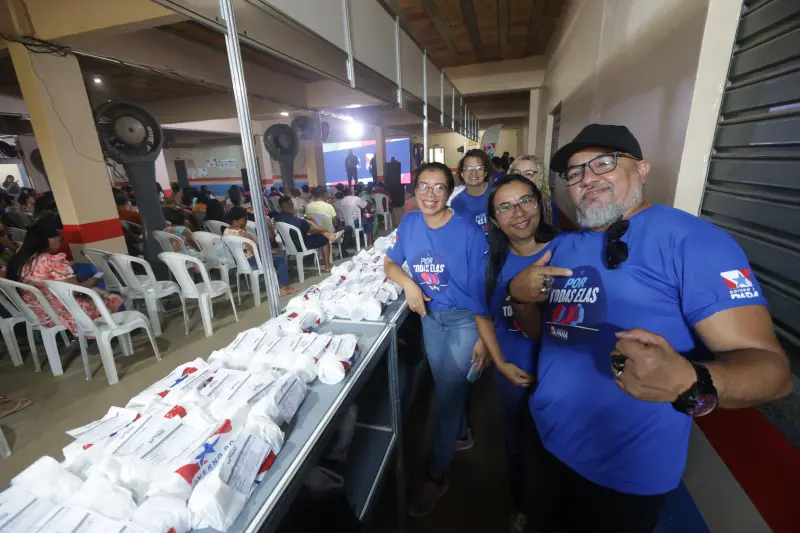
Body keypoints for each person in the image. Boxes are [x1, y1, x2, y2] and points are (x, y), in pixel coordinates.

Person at [508, 124, 792, 533]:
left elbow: (774, 372)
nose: (587, 178)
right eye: (574, 173)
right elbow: (547, 336)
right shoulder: (565, 246)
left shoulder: (693, 242)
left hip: (622, 471)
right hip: (545, 438)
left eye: (603, 163)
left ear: (641, 169)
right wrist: (520, 297)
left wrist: (691, 382)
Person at [383, 162, 488, 517]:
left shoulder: (468, 232)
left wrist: (484, 337)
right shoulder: (410, 222)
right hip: (430, 319)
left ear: (449, 191)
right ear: (414, 190)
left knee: (446, 397)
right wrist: (409, 284)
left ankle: (436, 475)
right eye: (423, 187)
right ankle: (462, 435)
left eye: (439, 187)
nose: (430, 195)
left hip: (465, 320)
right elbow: (390, 264)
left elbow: (484, 288)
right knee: (448, 386)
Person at [473, 175, 559, 533]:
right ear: (494, 220)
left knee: (560, 445)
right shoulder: (490, 264)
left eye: (526, 201)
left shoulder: (567, 249)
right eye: (505, 207)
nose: (518, 213)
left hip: (562, 373)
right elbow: (483, 315)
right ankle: (523, 506)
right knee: (518, 444)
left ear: (540, 203)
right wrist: (500, 363)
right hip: (515, 371)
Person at [6, 220, 124, 335]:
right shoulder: (51, 261)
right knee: (113, 297)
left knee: (96, 292)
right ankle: (113, 333)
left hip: (40, 313)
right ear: (49, 240)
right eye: (58, 237)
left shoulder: (20, 259)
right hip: (63, 313)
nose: (60, 240)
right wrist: (92, 281)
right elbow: (74, 291)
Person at [223, 206, 296, 297]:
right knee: (280, 259)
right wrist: (268, 254)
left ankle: (278, 283)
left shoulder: (226, 231)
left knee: (274, 255)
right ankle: (284, 287)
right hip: (252, 262)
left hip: (240, 263)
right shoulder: (243, 234)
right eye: (246, 219)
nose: (246, 221)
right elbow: (254, 251)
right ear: (241, 219)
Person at [272, 196, 343, 272]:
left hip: (287, 244)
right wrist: (323, 229)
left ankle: (329, 235)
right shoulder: (296, 220)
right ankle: (328, 265)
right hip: (300, 244)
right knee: (323, 238)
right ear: (290, 204)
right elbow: (312, 231)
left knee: (314, 227)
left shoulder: (277, 217)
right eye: (292, 202)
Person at [449, 149, 492, 233]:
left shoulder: (497, 191)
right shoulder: (457, 203)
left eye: (479, 168)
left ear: (485, 172)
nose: (473, 173)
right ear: (462, 173)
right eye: (468, 168)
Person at [508, 155, 553, 225]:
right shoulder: (504, 200)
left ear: (539, 177)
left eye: (528, 173)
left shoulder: (547, 204)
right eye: (517, 173)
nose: (522, 177)